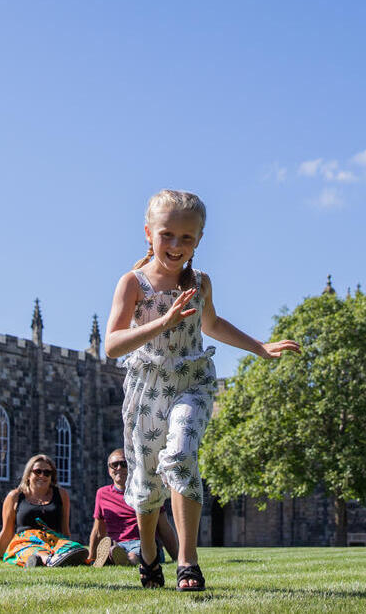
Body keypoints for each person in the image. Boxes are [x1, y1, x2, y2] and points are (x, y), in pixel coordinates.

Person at [105, 189, 300, 591]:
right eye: (167, 235)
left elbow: (211, 325)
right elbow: (112, 345)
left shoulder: (201, 282)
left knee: (180, 455)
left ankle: (187, 561)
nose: (176, 246)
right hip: (148, 389)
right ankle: (147, 554)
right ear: (148, 234)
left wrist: (259, 346)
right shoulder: (133, 283)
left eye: (187, 238)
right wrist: (162, 323)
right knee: (145, 481)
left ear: (199, 240)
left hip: (192, 384)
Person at [87, 448, 178, 567]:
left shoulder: (147, 491)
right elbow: (98, 530)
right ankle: (111, 557)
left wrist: (177, 557)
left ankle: (126, 560)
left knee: (135, 554)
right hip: (118, 544)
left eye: (124, 464)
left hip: (144, 542)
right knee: (112, 549)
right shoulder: (102, 494)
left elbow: (164, 527)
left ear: (132, 466)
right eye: (114, 465)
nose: (119, 468)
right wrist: (90, 558)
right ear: (109, 470)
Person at [0, 454, 90, 568]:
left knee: (74, 549)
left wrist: (68, 543)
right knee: (33, 551)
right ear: (28, 474)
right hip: (26, 541)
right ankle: (49, 559)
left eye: (47, 473)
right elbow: (7, 531)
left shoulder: (61, 494)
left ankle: (102, 559)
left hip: (54, 540)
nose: (42, 476)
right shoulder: (15, 496)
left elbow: (65, 529)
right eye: (37, 471)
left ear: (52, 476)